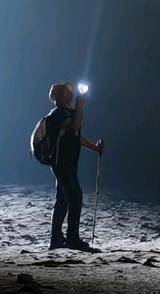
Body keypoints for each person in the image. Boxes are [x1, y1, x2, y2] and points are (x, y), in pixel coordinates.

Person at [44, 82, 104, 251]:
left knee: (62, 200)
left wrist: (95, 148)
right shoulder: (55, 116)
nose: (69, 94)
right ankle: (72, 239)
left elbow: (76, 136)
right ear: (59, 97)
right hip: (61, 164)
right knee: (75, 197)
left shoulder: (68, 113)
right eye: (65, 92)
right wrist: (80, 106)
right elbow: (75, 126)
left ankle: (56, 239)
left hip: (69, 163)